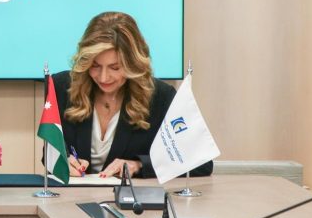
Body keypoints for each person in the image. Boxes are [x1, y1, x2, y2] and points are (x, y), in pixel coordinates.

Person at [52, 11, 213, 179]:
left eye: (115, 67)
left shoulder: (160, 96)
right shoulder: (62, 86)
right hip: (71, 194)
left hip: (130, 195)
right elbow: (50, 151)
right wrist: (62, 161)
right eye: (95, 65)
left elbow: (202, 163)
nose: (103, 77)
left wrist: (139, 165)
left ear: (133, 64)